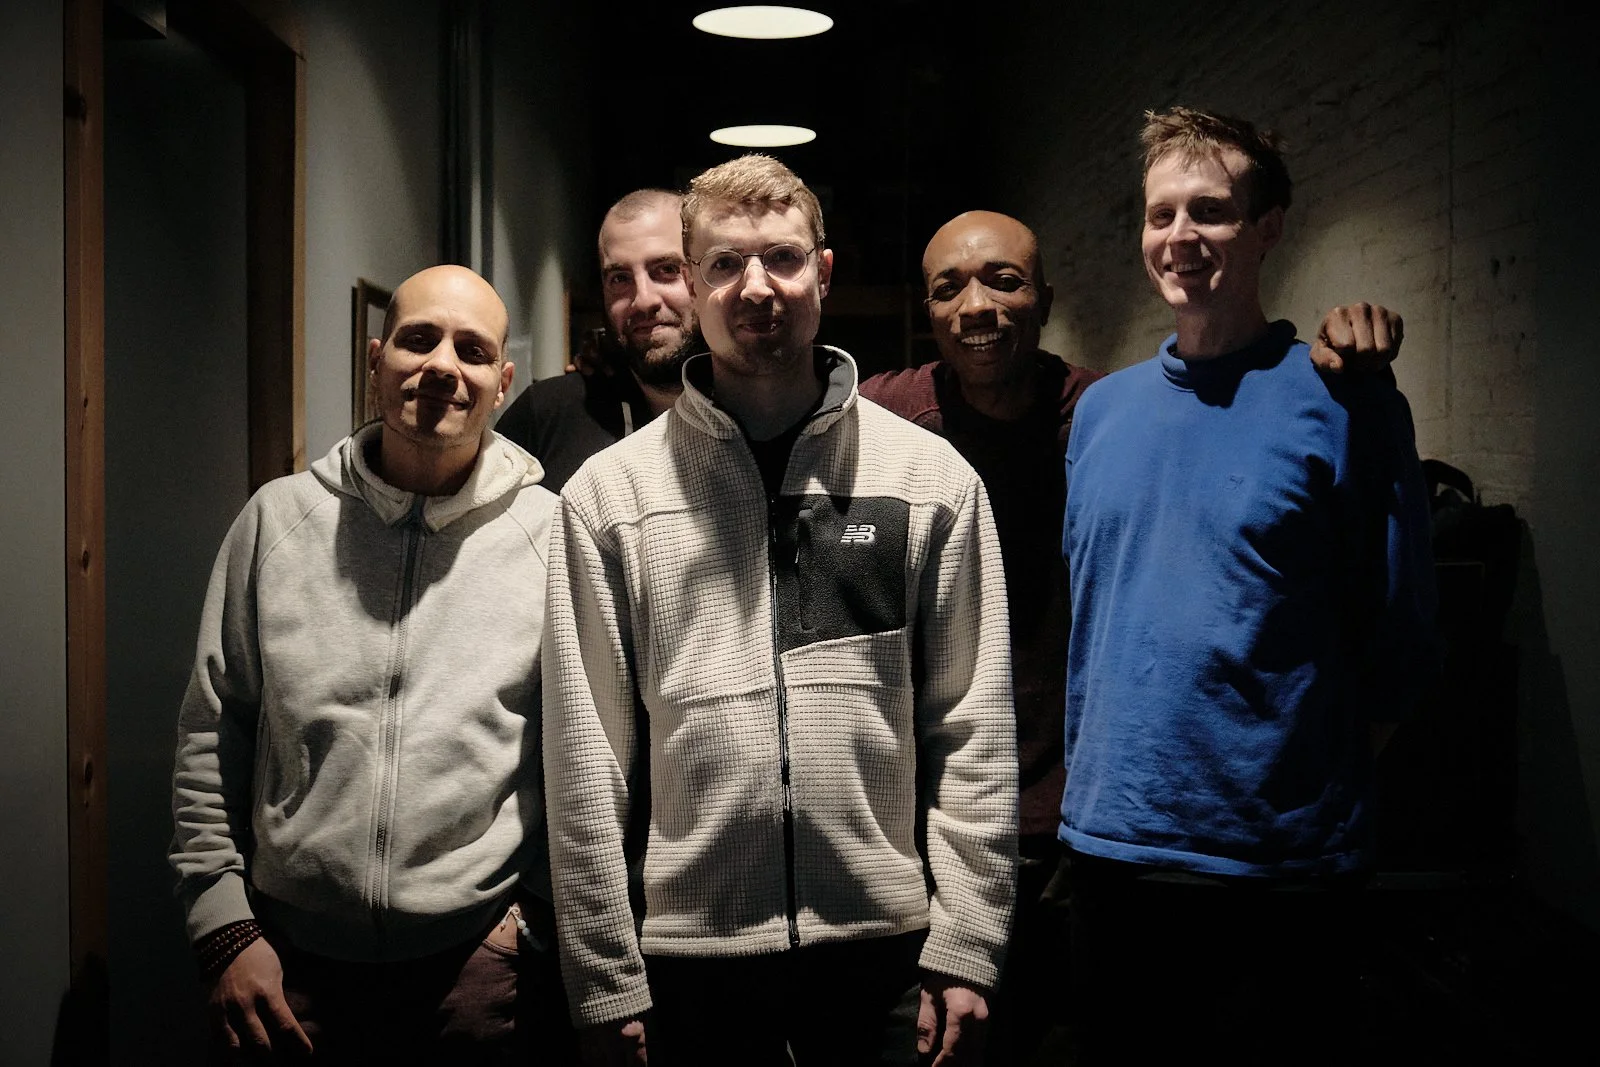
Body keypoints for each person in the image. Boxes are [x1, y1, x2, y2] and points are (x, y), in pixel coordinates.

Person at [859, 208, 1408, 1063]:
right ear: (925, 310)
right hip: (939, 814)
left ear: (1046, 298)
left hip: (1085, 820)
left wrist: (1339, 356)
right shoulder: (887, 416)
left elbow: (1233, 432)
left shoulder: (1105, 414)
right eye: (948, 287)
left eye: (1003, 280)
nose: (976, 306)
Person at [542, 154, 1017, 1067]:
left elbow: (972, 725)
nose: (757, 286)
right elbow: (586, 753)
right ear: (694, 283)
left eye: (783, 258)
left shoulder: (928, 478)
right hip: (690, 963)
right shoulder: (610, 496)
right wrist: (602, 974)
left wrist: (969, 938)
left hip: (886, 955)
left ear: (823, 273)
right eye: (725, 263)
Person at [1059, 107, 1439, 1063]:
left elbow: (1400, 638)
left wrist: (1298, 776)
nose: (1180, 236)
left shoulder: (1345, 398)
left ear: (1268, 227)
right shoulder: (1101, 412)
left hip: (1281, 867)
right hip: (1112, 847)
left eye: (1211, 211)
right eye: (1161, 214)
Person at [169, 265, 573, 1062]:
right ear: (376, 357)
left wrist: (534, 918)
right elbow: (214, 731)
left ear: (502, 382)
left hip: (477, 972)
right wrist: (223, 926)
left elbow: (581, 753)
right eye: (419, 339)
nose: (442, 366)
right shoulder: (278, 521)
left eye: (471, 349)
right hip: (290, 970)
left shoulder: (551, 536)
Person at [494, 189, 699, 492]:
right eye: (620, 278)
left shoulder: (756, 410)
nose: (643, 300)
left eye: (666, 270)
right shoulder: (547, 414)